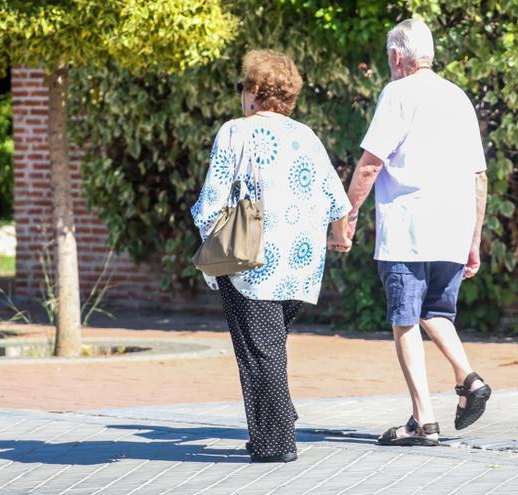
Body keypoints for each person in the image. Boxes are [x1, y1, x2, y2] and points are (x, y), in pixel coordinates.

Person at [191, 49, 352, 463]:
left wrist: (208, 243)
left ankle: (276, 443)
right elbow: (338, 200)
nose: (240, 94)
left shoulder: (235, 132)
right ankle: (277, 418)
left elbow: (211, 202)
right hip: (302, 264)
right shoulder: (306, 135)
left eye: (243, 86)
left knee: (258, 352)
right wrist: (339, 239)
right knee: (268, 346)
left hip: (252, 261)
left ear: (255, 91)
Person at [345, 19, 491, 446]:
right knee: (435, 313)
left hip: (408, 229)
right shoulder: (458, 97)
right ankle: (469, 380)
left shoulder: (398, 93)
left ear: (396, 57)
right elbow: (478, 176)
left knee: (405, 319)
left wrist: (347, 215)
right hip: (453, 227)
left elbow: (371, 163)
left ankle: (423, 421)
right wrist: (474, 239)